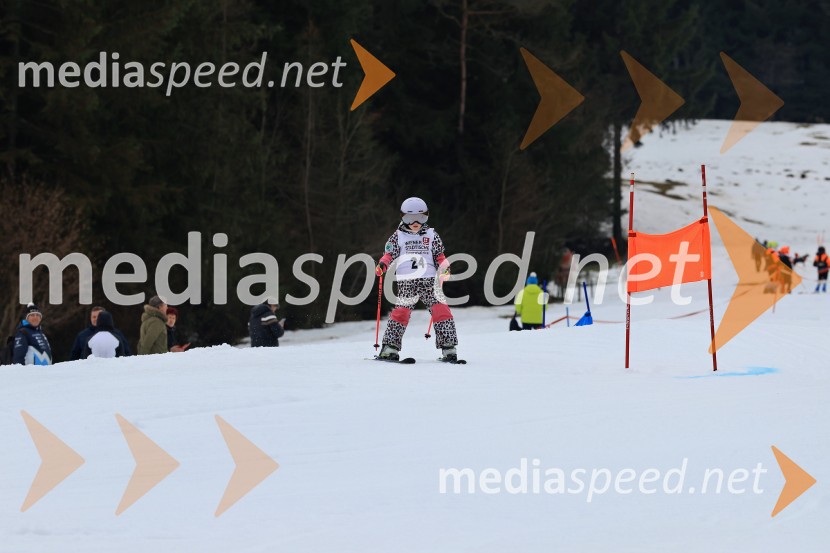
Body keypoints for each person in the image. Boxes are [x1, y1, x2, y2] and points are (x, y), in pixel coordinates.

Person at [375, 197, 459, 361]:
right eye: (409, 218)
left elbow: (439, 256)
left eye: (421, 217)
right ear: (403, 217)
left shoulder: (431, 235)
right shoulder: (397, 236)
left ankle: (448, 347)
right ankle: (389, 347)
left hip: (429, 281)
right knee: (401, 313)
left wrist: (445, 267)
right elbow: (389, 254)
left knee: (441, 311)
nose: (415, 222)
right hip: (407, 281)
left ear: (426, 216)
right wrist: (382, 265)